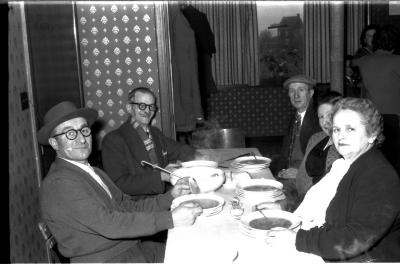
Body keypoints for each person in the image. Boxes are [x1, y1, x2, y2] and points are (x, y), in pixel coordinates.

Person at [38, 101, 202, 263]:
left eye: (84, 130)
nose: (81, 139)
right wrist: (170, 219)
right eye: (70, 133)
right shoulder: (59, 183)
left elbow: (127, 206)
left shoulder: (93, 172)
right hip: (107, 259)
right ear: (54, 143)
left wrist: (171, 196)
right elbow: (109, 224)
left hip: (132, 249)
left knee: (196, 251)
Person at [266, 98, 400, 262]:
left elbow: (354, 241)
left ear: (372, 134)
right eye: (336, 129)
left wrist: (298, 239)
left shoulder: (380, 176)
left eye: (350, 129)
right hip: (337, 248)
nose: (341, 136)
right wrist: (286, 213)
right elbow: (319, 203)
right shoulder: (346, 164)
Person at [102, 87, 198, 199]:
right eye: (142, 106)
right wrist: (161, 176)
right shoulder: (114, 139)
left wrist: (205, 158)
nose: (147, 111)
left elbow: (180, 150)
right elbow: (120, 183)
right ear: (129, 108)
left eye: (151, 106)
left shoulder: (155, 133)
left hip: (162, 198)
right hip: (136, 206)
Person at [352, 24, 400, 175]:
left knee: (377, 161)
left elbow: (352, 67)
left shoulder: (362, 61)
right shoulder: (397, 61)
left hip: (371, 117)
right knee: (395, 163)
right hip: (395, 118)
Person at [273, 74, 321, 179]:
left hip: (308, 178)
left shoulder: (319, 120)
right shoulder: (293, 118)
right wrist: (279, 172)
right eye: (292, 91)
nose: (296, 95)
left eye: (301, 90)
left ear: (311, 93)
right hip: (288, 174)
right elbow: (285, 153)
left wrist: (301, 173)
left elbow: (324, 158)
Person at [296, 91, 342, 197]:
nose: (325, 121)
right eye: (321, 117)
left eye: (330, 115)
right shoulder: (316, 138)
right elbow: (302, 172)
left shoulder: (343, 149)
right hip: (298, 195)